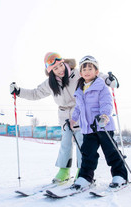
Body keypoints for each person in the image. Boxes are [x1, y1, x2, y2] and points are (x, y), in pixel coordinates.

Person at [10, 52, 118, 183]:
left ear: (64, 63)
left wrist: (108, 79)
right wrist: (19, 91)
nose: (60, 70)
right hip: (64, 116)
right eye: (55, 68)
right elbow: (35, 93)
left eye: (60, 65)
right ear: (50, 71)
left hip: (80, 111)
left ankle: (82, 171)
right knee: (65, 143)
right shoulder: (50, 83)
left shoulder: (77, 73)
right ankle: (64, 171)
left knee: (82, 143)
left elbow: (95, 74)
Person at [70, 55, 128, 190]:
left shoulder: (101, 86)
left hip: (102, 125)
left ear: (96, 72)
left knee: (111, 151)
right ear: (80, 73)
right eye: (84, 69)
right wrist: (74, 119)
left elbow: (106, 102)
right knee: (87, 153)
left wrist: (105, 115)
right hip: (88, 128)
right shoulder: (79, 89)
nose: (87, 71)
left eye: (90, 68)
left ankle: (120, 175)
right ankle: (85, 177)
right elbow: (78, 107)